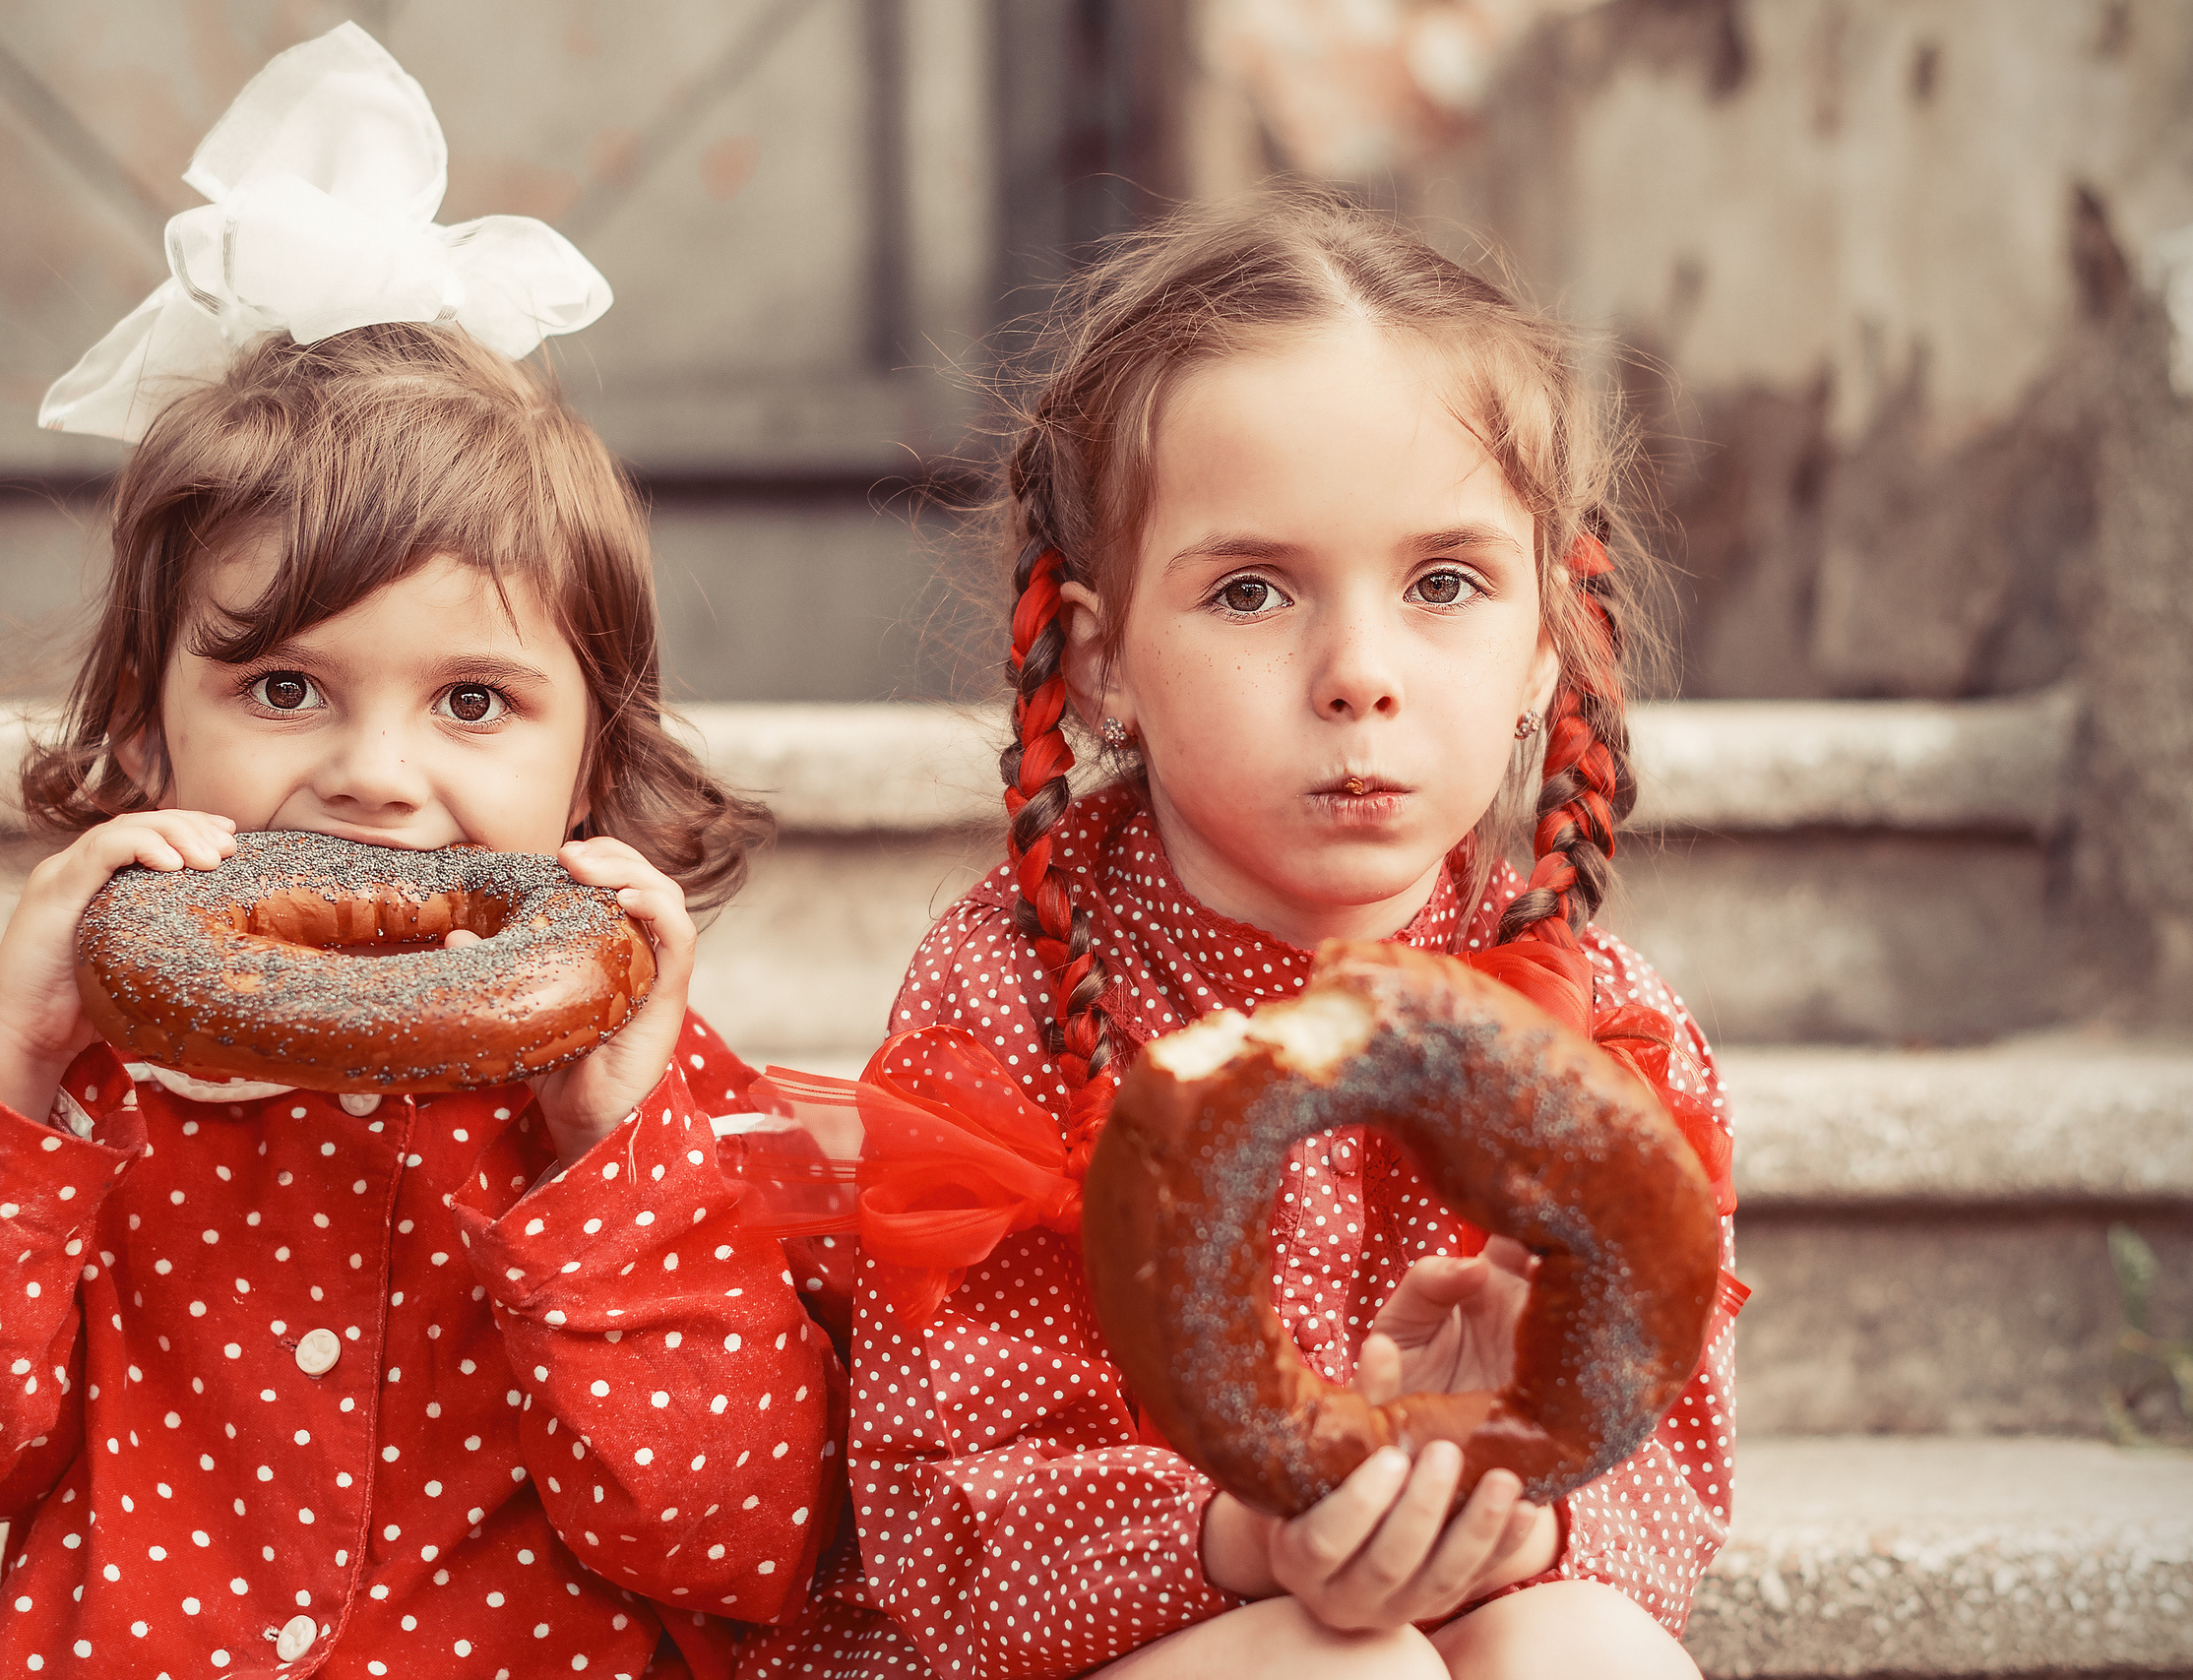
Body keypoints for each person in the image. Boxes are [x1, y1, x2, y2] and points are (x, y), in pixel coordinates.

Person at [0, 27, 838, 1680]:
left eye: (475, 699)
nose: (376, 778)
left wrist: (610, 1153)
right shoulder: (67, 1099)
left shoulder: (663, 1114)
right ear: (141, 731)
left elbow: (738, 1542)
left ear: (592, 762)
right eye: (283, 685)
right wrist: (6, 1084)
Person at [743, 188, 1738, 1679]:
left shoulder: (1604, 1031)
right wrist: (1250, 1537)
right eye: (1254, 590)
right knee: (1342, 1668)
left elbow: (1671, 1468)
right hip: (1103, 1632)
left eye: (1445, 583)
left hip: (1482, 1594)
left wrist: (1511, 1515)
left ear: (1549, 642)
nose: (1358, 674)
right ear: (1102, 666)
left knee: (1586, 1649)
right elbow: (948, 1512)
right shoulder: (1008, 993)